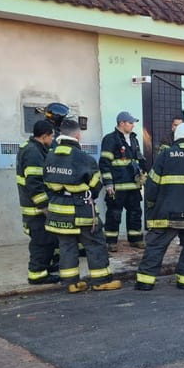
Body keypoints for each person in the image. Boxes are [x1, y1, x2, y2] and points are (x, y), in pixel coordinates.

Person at [44, 118, 121, 294]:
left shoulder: (49, 156)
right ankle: (101, 281)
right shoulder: (83, 158)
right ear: (78, 135)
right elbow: (95, 185)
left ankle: (71, 283)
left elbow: (46, 183)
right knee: (95, 243)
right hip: (81, 209)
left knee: (66, 246)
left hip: (57, 210)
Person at [135, 123, 184, 291]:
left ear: (176, 137)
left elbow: (152, 185)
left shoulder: (166, 155)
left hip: (167, 215)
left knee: (156, 246)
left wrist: (151, 206)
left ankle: (145, 282)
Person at [16, 119, 59, 285]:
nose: (52, 140)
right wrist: (44, 206)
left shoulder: (33, 148)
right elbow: (34, 183)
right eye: (52, 136)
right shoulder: (33, 153)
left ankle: (45, 267)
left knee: (48, 240)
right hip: (36, 209)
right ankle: (37, 274)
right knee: (41, 242)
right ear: (44, 136)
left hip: (34, 206)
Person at [100, 111, 147, 252]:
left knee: (135, 213)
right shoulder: (110, 139)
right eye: (130, 123)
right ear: (121, 123)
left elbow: (138, 160)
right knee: (114, 215)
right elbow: (104, 163)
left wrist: (142, 173)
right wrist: (108, 183)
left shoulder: (133, 139)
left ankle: (136, 239)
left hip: (133, 186)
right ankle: (111, 242)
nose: (133, 125)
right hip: (117, 187)